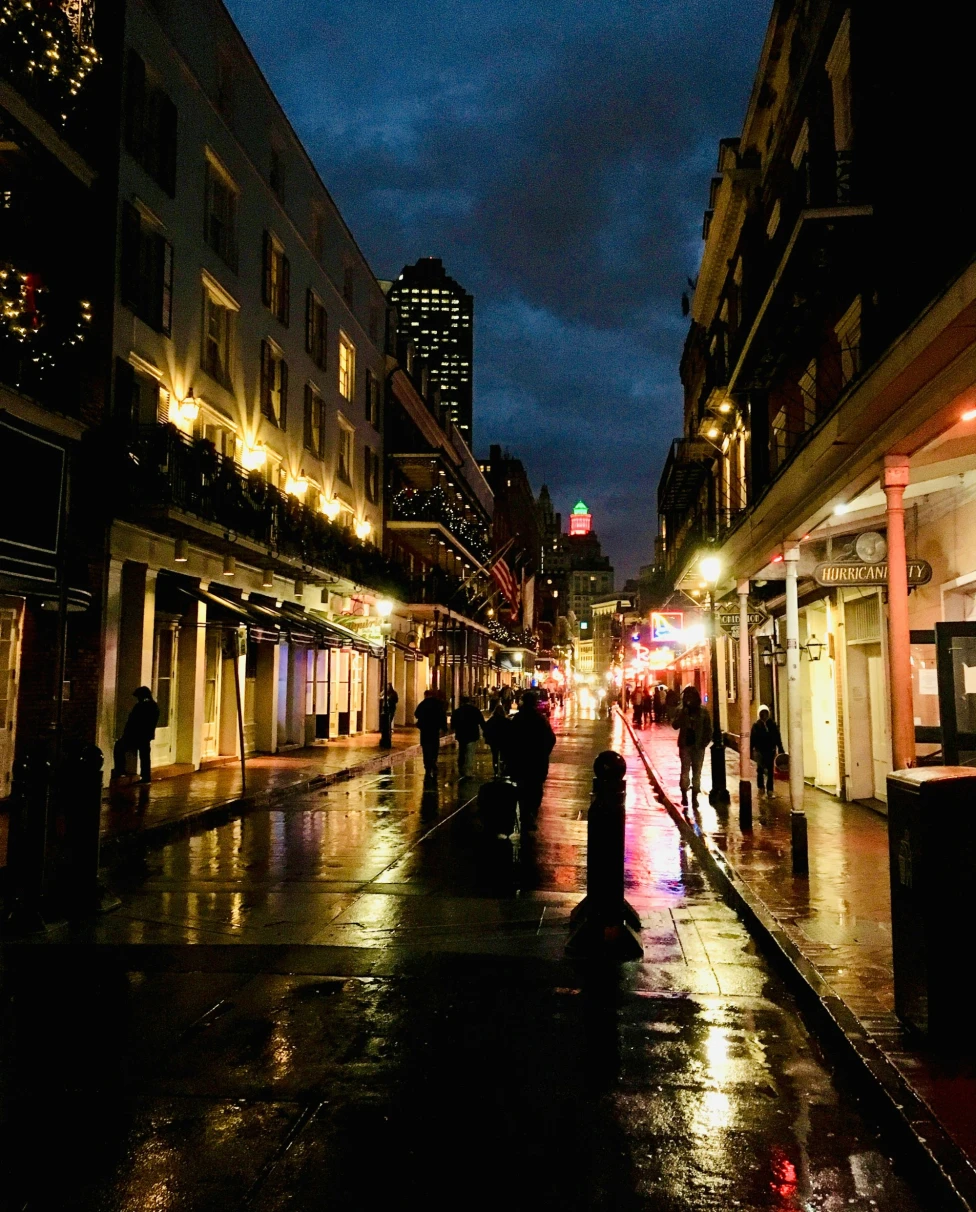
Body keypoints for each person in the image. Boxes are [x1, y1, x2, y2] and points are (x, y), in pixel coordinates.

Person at [504, 690, 556, 827]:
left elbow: (509, 740)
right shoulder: (540, 720)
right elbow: (551, 739)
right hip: (536, 762)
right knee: (535, 789)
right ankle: (531, 813)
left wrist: (510, 758)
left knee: (522, 788)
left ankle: (525, 814)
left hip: (520, 762)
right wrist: (543, 753)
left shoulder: (517, 719)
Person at [671, 685, 711, 806]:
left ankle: (694, 796)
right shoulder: (681, 710)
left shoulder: (703, 712)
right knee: (685, 770)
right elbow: (675, 725)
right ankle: (684, 794)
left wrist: (704, 743)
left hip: (698, 746)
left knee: (697, 771)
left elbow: (708, 730)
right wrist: (683, 714)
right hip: (685, 745)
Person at [112, 686, 160, 785]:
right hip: (145, 735)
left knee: (119, 747)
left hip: (135, 735)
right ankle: (146, 777)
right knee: (145, 756)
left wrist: (126, 734)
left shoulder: (140, 706)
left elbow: (132, 721)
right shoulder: (154, 706)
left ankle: (120, 770)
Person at [750, 704, 784, 796]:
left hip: (770, 750)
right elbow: (752, 739)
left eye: (765, 713)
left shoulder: (772, 724)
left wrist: (780, 749)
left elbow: (777, 737)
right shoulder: (756, 726)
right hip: (760, 751)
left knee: (770, 770)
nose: (764, 715)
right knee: (760, 769)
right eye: (762, 713)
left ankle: (770, 789)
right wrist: (750, 751)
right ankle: (761, 786)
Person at [415, 688, 448, 781]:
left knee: (426, 748)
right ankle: (433, 762)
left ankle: (427, 765)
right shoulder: (438, 704)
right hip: (434, 729)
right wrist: (444, 727)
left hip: (425, 730)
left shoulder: (423, 704)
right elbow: (442, 716)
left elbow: (416, 713)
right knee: (434, 747)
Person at [451, 695, 485, 777]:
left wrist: (454, 729)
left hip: (461, 734)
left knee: (462, 751)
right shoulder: (475, 710)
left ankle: (461, 767)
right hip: (472, 734)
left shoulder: (457, 711)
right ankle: (468, 771)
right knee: (470, 752)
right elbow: (482, 722)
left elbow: (453, 724)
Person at [482, 699, 510, 775]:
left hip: (493, 741)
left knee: (495, 755)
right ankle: (502, 767)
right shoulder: (506, 721)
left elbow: (486, 729)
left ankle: (495, 769)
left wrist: (487, 737)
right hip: (503, 741)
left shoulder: (491, 720)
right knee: (502, 755)